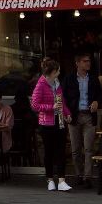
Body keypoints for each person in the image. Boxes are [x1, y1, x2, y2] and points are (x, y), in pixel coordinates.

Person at [62, 52, 102, 188]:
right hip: (74, 116)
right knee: (75, 149)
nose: (88, 63)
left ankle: (88, 177)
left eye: (89, 61)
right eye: (85, 61)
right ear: (78, 63)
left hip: (88, 115)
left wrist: (97, 101)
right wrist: (66, 113)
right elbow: (63, 98)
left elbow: (100, 95)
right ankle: (78, 175)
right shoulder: (69, 79)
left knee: (88, 148)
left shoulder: (93, 79)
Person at [30, 57, 72, 192]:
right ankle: (49, 179)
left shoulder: (57, 83)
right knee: (49, 151)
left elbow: (62, 102)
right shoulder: (40, 84)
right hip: (46, 123)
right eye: (57, 71)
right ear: (51, 72)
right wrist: (51, 107)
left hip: (59, 121)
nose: (59, 73)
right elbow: (35, 105)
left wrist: (67, 113)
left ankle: (61, 180)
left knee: (61, 151)